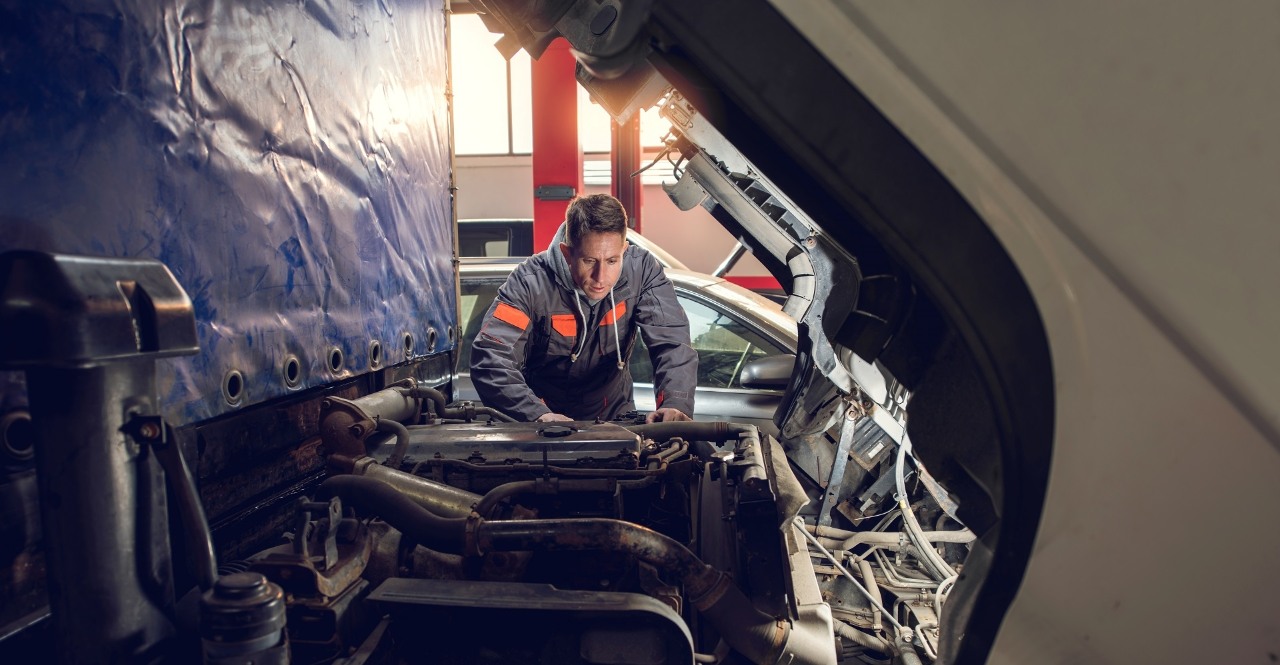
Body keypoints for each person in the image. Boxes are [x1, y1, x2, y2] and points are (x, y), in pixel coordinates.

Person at [470, 194, 697, 423]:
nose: (600, 277)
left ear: (624, 250)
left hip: (615, 420)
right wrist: (537, 414)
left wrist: (675, 403)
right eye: (589, 261)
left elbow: (673, 343)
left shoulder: (643, 271)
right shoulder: (529, 284)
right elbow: (491, 357)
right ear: (567, 253)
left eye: (611, 261)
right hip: (542, 424)